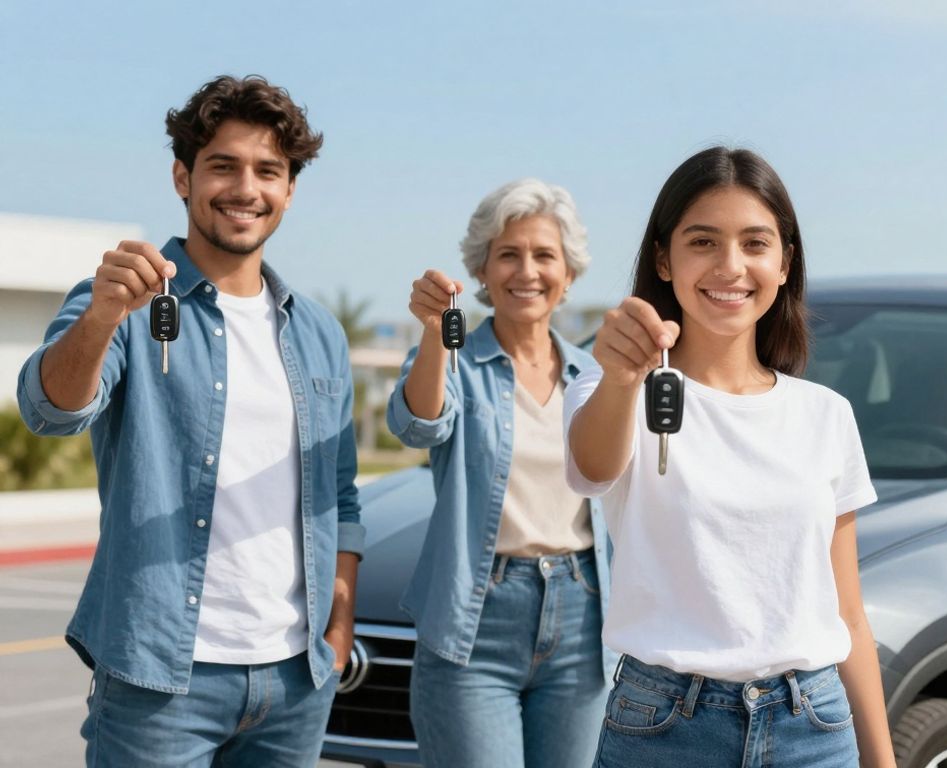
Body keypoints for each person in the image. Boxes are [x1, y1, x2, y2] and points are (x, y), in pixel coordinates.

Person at [15, 75, 363, 767]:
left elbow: (342, 493)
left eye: (268, 171)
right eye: (223, 166)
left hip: (295, 680)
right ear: (183, 176)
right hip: (160, 684)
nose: (245, 188)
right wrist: (104, 317)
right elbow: (48, 410)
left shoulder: (319, 331)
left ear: (290, 189)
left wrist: (339, 624)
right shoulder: (117, 297)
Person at [565, 146, 896, 767]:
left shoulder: (826, 414)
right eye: (703, 242)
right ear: (663, 258)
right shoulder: (613, 388)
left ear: (784, 261)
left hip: (814, 727)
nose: (730, 266)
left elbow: (848, 613)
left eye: (754, 243)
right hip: (662, 727)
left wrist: (883, 762)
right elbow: (591, 469)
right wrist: (618, 376)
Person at [386, 178, 611, 767]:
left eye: (544, 255)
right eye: (507, 254)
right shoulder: (452, 358)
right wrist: (435, 335)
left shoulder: (595, 374)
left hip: (583, 614)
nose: (526, 271)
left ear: (569, 274)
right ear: (482, 271)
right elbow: (419, 425)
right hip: (476, 620)